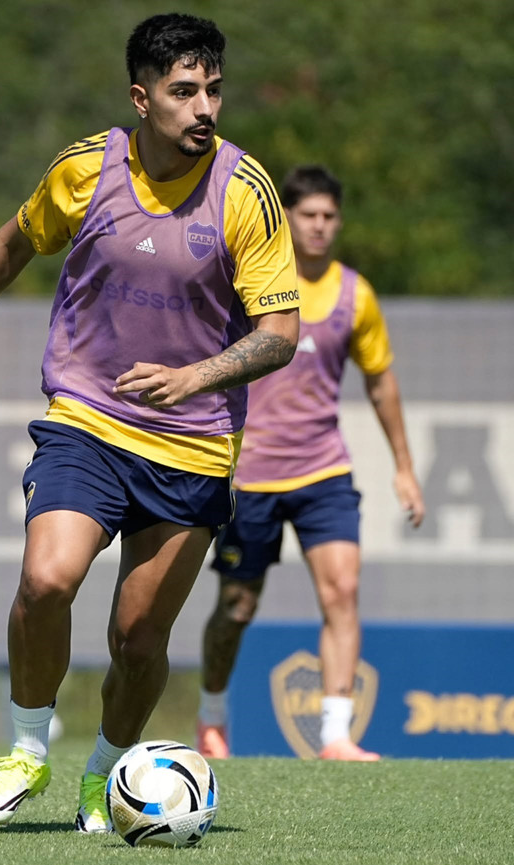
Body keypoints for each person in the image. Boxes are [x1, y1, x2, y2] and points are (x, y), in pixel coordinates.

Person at [0, 13, 299, 830]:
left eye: (213, 91)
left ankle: (109, 773)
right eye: (184, 92)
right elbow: (15, 241)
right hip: (86, 417)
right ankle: (27, 752)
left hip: (193, 443)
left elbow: (281, 333)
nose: (203, 109)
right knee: (46, 580)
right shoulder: (87, 169)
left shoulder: (244, 191)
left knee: (140, 641)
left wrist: (197, 375)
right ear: (141, 97)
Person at [197, 164, 425, 762]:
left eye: (329, 217)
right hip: (249, 477)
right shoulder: (253, 284)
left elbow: (380, 384)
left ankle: (335, 735)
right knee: (237, 606)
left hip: (324, 471)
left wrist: (403, 466)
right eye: (309, 216)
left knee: (343, 591)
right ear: (288, 220)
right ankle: (212, 715)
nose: (320, 227)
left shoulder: (357, 295)